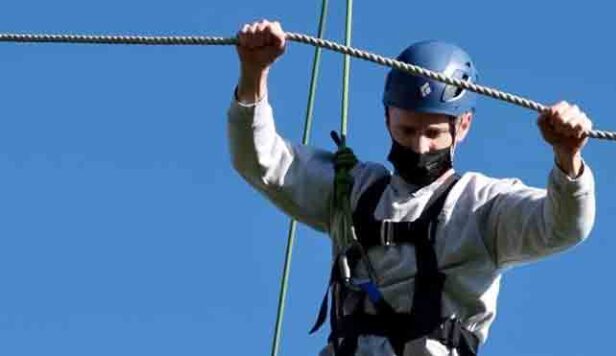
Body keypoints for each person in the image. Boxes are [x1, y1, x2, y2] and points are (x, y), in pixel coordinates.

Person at [229, 19, 596, 356]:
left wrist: (568, 159)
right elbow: (262, 162)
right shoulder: (354, 190)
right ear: (387, 117)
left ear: (463, 125)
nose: (420, 146)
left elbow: (563, 226)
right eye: (407, 130)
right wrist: (254, 73)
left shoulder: (482, 206)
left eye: (434, 133)